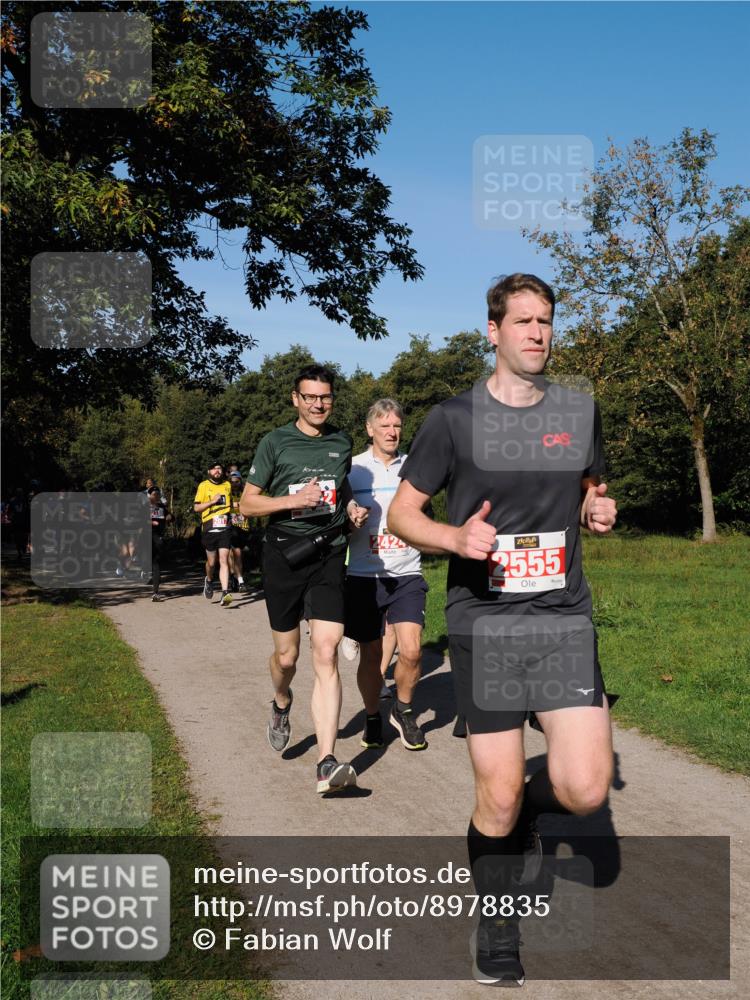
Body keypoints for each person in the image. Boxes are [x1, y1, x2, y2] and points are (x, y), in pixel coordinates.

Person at [389, 273, 618, 986]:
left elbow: (591, 484)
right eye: (522, 321)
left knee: (586, 790)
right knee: (498, 796)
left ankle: (523, 807)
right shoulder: (452, 420)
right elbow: (402, 514)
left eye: (545, 320)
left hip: (561, 618)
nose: (537, 333)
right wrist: (454, 539)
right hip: (485, 624)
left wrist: (596, 507)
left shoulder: (577, 411)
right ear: (493, 331)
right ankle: (496, 923)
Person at [239, 364, 363, 794]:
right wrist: (292, 500)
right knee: (287, 658)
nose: (318, 404)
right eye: (310, 397)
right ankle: (281, 701)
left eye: (325, 397)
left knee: (326, 651)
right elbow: (247, 505)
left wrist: (350, 508)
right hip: (284, 555)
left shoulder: (341, 441)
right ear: (296, 399)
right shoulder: (274, 442)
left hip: (328, 554)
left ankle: (326, 762)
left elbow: (342, 487)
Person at [345, 399, 429, 752]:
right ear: (370, 429)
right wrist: (351, 520)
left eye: (396, 426)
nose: (392, 432)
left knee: (412, 651)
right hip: (364, 575)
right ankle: (372, 716)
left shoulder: (415, 466)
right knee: (371, 656)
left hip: (407, 573)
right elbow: (339, 519)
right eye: (384, 426)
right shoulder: (353, 469)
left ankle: (403, 709)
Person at [193, 461, 233, 607]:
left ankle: (225, 592)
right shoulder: (203, 485)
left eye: (219, 468)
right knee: (211, 562)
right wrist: (211, 502)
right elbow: (197, 508)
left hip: (225, 528)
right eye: (214, 469)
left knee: (224, 560)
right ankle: (209, 580)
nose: (217, 471)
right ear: (209, 471)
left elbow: (230, 504)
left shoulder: (227, 485)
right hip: (209, 529)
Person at [146, 486, 172, 602]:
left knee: (156, 564)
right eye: (154, 494)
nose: (156, 496)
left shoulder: (161, 507)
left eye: (158, 494)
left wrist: (169, 517)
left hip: (157, 537)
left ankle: (155, 593)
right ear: (149, 496)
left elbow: (170, 516)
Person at [228, 470, 251, 592]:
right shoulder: (227, 493)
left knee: (234, 554)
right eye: (232, 482)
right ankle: (240, 581)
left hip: (244, 527)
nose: (234, 484)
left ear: (240, 481)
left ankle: (233, 576)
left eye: (236, 481)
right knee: (237, 553)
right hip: (232, 527)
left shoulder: (245, 493)